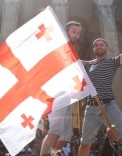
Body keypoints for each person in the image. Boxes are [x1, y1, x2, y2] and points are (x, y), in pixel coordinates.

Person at [78, 26, 122, 156]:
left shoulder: (112, 62)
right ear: (94, 50)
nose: (99, 46)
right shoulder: (88, 65)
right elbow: (72, 61)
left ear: (106, 49)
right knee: (85, 144)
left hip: (109, 105)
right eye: (96, 45)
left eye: (101, 44)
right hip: (91, 108)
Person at [40, 21, 83, 156]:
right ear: (66, 32)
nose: (76, 35)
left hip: (67, 94)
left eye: (78, 33)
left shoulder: (69, 48)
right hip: (57, 93)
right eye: (73, 31)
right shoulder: (60, 45)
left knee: (65, 136)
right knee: (55, 131)